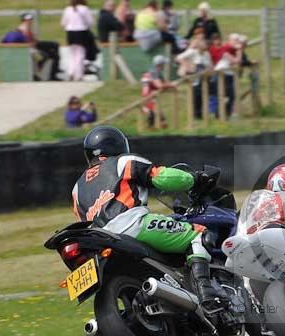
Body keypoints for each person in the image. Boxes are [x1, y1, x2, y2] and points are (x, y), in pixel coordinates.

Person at [71, 126, 226, 313]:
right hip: (133, 225)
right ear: (118, 146)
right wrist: (194, 179)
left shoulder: (77, 189)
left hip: (100, 239)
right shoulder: (124, 161)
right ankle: (206, 294)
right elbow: (162, 177)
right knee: (198, 235)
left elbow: (81, 217)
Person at [1, 12, 61, 81]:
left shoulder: (28, 26)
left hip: (34, 44)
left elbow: (33, 39)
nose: (30, 20)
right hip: (30, 47)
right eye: (28, 19)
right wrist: (34, 44)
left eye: (31, 19)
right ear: (23, 20)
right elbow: (27, 42)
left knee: (55, 48)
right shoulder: (22, 27)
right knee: (47, 55)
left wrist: (35, 40)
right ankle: (37, 73)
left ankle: (54, 73)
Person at [61, 0, 97, 81]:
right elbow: (90, 22)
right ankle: (78, 74)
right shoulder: (84, 9)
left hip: (70, 33)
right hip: (81, 32)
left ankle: (71, 72)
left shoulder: (67, 9)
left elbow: (63, 23)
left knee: (73, 54)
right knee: (80, 54)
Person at [141, 55, 176, 128]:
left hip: (147, 96)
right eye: (164, 64)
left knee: (158, 116)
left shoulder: (152, 71)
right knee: (158, 118)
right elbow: (159, 85)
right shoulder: (155, 72)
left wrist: (168, 85)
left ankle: (153, 128)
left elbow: (162, 84)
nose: (164, 66)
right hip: (150, 96)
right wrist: (171, 85)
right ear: (160, 64)